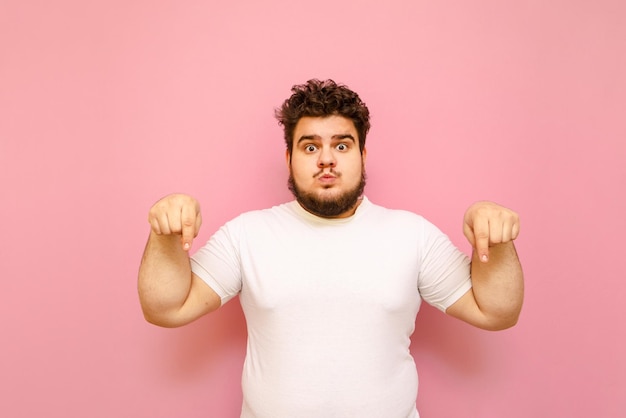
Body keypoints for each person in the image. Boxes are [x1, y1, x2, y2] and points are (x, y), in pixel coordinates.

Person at [138, 79, 524, 418]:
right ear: (289, 159)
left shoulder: (412, 235)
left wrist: (496, 239)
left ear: (362, 156)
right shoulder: (248, 235)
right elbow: (167, 307)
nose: (326, 159)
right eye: (309, 148)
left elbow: (496, 311)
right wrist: (165, 234)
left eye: (342, 145)